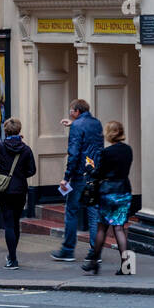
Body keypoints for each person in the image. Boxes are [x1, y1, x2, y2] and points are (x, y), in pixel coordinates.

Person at [52, 99, 103, 263]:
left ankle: (67, 250)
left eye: (71, 111)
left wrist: (66, 177)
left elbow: (74, 153)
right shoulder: (96, 123)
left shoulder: (76, 126)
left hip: (80, 175)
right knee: (93, 212)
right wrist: (73, 124)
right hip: (95, 173)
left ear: (77, 111)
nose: (69, 113)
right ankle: (95, 251)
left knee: (72, 211)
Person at [82, 121, 135, 275]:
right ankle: (127, 265)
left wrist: (90, 168)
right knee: (119, 228)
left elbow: (99, 173)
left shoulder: (107, 152)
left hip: (108, 193)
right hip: (124, 191)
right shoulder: (128, 150)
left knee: (101, 228)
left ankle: (94, 262)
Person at [0, 118, 36, 270]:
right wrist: (20, 174)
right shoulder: (26, 150)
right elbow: (32, 171)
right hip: (20, 190)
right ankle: (12, 256)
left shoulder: (1, 147)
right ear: (19, 130)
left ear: (6, 131)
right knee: (16, 222)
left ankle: (12, 258)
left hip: (4, 189)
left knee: (8, 224)